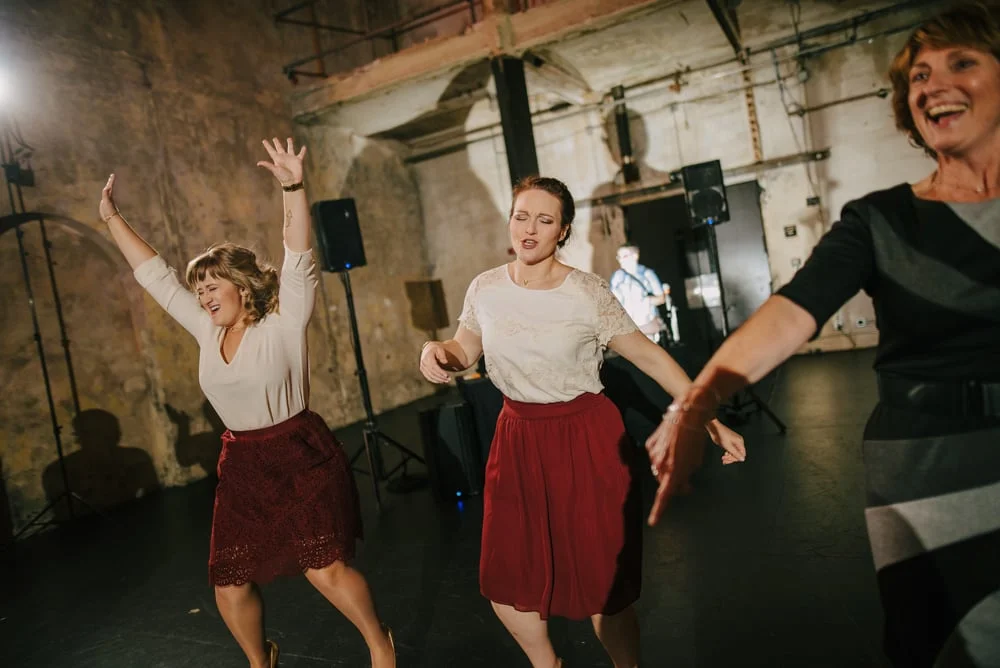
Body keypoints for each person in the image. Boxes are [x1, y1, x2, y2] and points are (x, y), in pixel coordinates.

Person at [645, 4, 1000, 667]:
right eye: (919, 76)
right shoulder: (881, 221)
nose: (933, 86)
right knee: (946, 649)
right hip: (926, 466)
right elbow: (791, 312)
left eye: (962, 62)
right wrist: (696, 403)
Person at [418, 175, 747, 668]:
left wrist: (709, 419)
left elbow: (650, 357)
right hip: (518, 438)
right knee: (507, 578)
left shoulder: (587, 292)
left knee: (603, 587)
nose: (529, 229)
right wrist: (435, 350)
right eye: (521, 217)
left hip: (586, 438)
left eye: (544, 220)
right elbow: (463, 350)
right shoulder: (485, 288)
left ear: (563, 230)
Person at [98, 138, 395, 668]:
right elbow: (156, 277)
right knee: (229, 581)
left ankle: (379, 644)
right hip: (243, 464)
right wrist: (111, 218)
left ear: (242, 285)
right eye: (200, 290)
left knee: (323, 568)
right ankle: (262, 661)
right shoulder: (205, 331)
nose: (204, 296)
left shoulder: (284, 321)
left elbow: (297, 255)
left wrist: (292, 186)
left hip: (300, 455)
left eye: (213, 286)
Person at [609, 244, 673, 344]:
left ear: (635, 256)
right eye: (619, 257)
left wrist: (643, 301)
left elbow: (661, 299)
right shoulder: (617, 276)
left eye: (624, 256)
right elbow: (612, 301)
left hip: (647, 326)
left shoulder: (647, 274)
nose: (621, 260)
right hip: (627, 328)